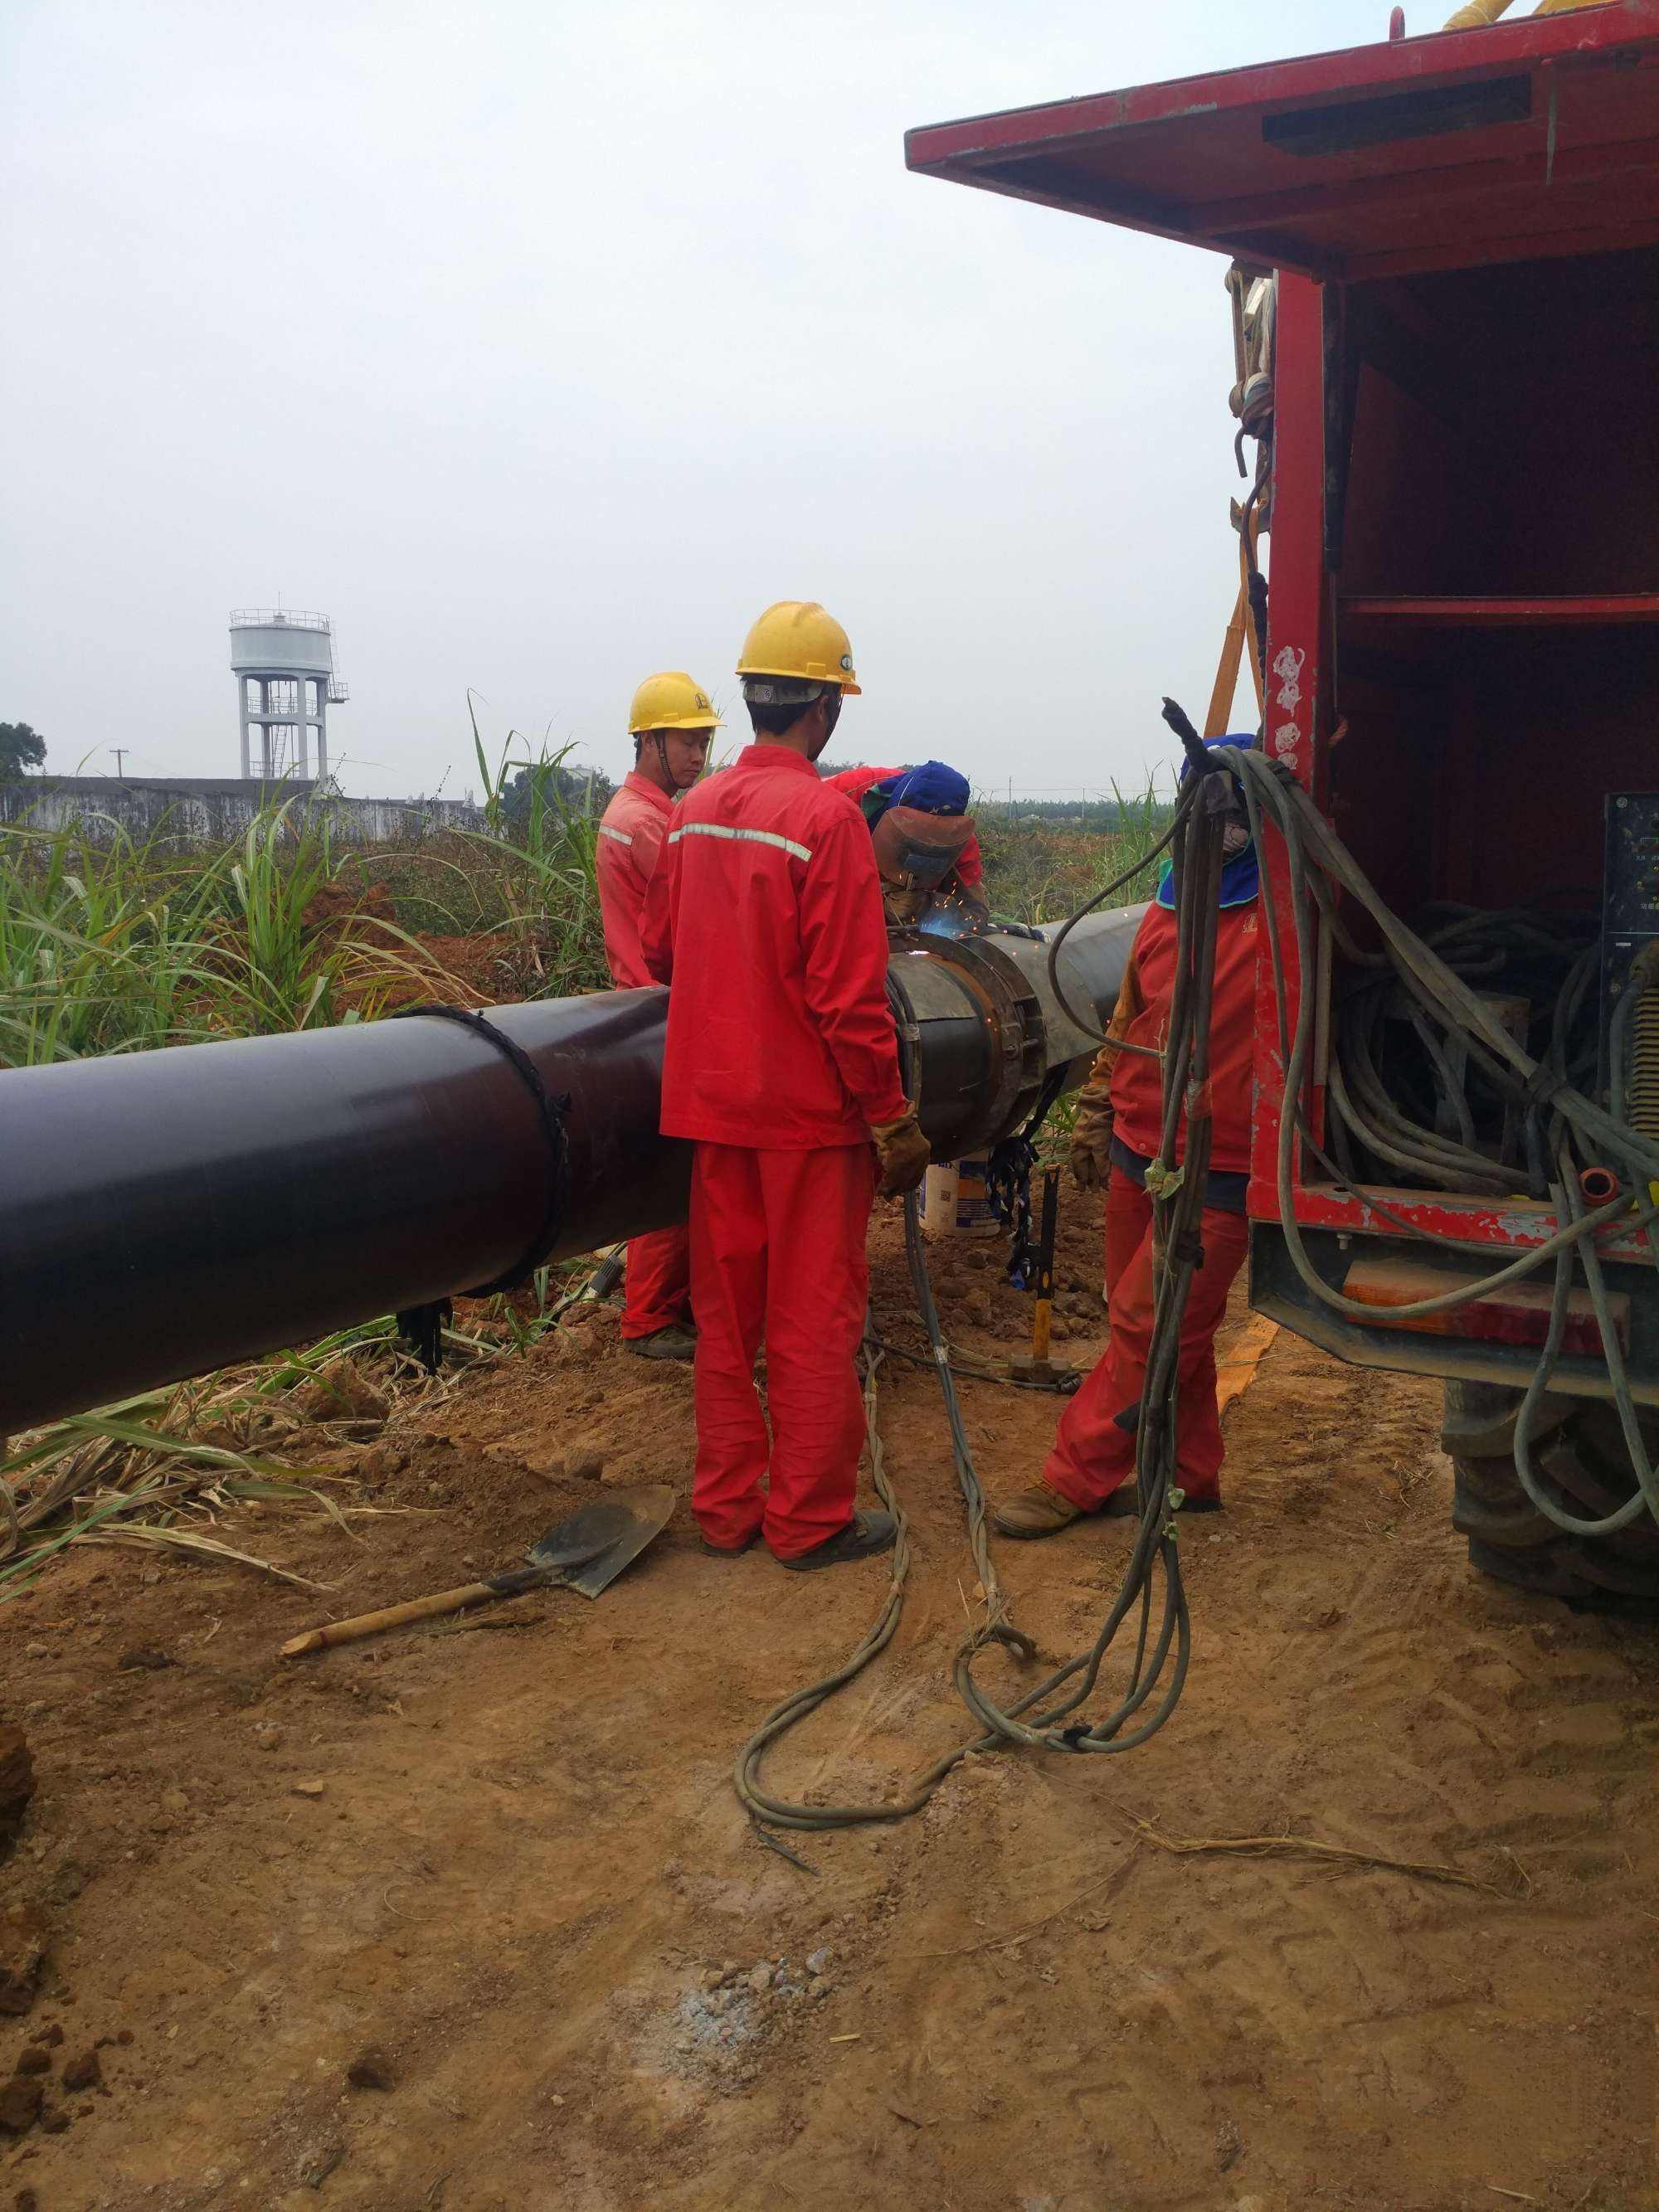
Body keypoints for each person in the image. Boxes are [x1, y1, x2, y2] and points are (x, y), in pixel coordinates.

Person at [641, 601, 931, 1568]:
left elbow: (666, 953)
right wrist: (888, 1116)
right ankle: (808, 1520)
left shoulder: (690, 815)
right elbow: (849, 1000)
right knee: (812, 1319)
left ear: (751, 698)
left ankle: (727, 1512)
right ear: (822, 708)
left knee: (725, 1319)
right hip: (806, 1121)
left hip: (710, 1110)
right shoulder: (825, 820)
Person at [994, 734, 1261, 1536]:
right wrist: (1097, 1110)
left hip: (1219, 1163)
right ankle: (1189, 1475)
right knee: (1152, 1323)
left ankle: (1075, 1477)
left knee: (1157, 1324)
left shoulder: (1287, 917)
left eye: (1229, 811)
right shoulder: (1169, 905)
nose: (1212, 826)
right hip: (1137, 1149)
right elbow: (1128, 1018)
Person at [595, 671, 720, 1361]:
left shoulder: (642, 812)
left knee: (683, 1167)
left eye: (704, 742)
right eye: (688, 742)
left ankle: (679, 1303)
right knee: (677, 1167)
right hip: (659, 1006)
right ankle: (649, 1316)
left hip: (646, 1002)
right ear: (650, 741)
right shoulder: (648, 822)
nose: (699, 755)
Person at [825, 761, 989, 930]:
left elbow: (975, 915)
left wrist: (925, 905)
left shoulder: (960, 840)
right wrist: (873, 901)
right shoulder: (841, 795)